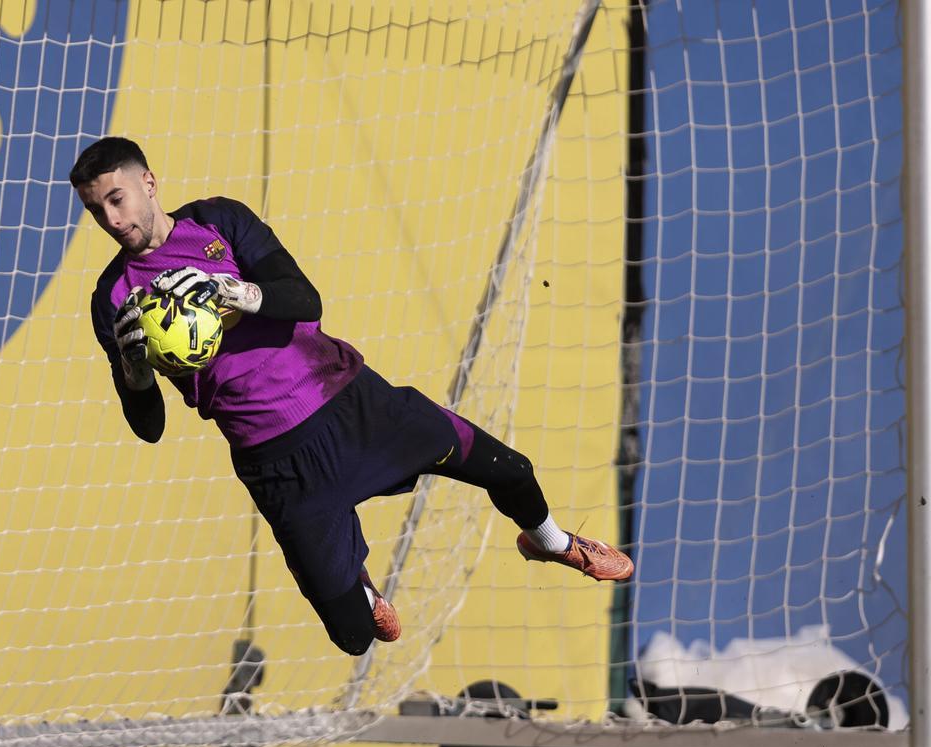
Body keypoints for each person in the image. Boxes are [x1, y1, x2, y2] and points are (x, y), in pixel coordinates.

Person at [71, 136, 633, 657]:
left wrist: (231, 291)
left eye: (117, 199)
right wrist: (136, 373)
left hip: (351, 403)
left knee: (510, 470)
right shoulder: (112, 298)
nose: (112, 220)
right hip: (277, 463)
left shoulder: (218, 220)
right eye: (97, 211)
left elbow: (304, 299)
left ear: (148, 183)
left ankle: (554, 544)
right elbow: (148, 425)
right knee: (355, 638)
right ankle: (363, 590)